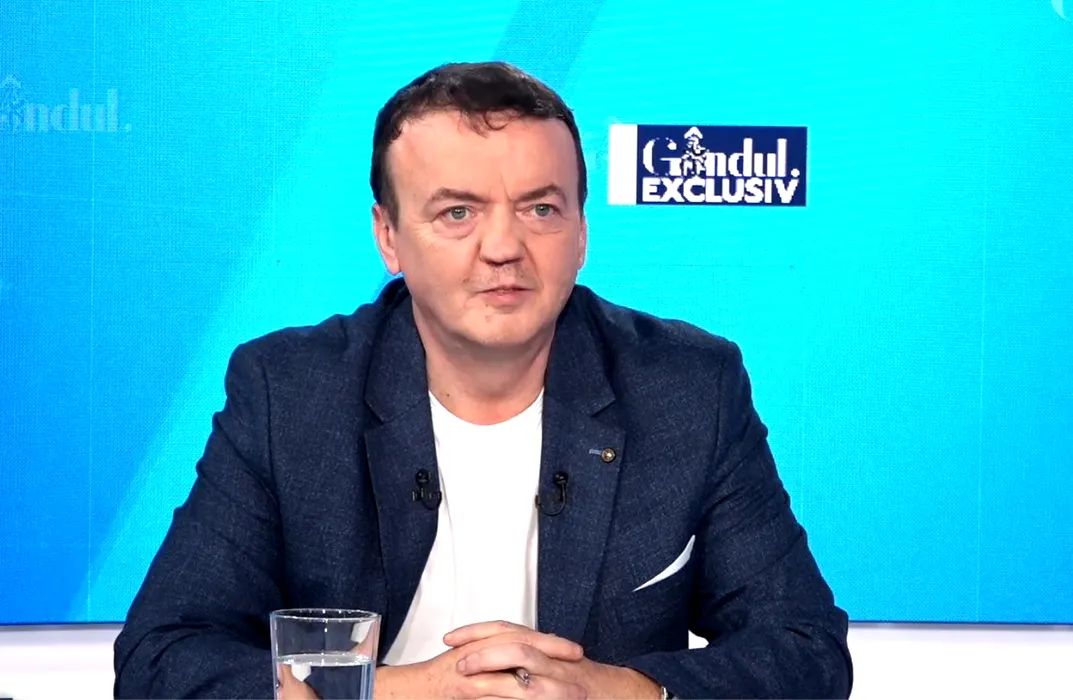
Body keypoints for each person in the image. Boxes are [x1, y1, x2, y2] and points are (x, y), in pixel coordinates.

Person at [114, 61, 852, 699]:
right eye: (458, 212)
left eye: (540, 208)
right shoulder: (290, 392)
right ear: (388, 237)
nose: (503, 246)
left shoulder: (687, 388)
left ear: (582, 232)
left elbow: (806, 649)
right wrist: (400, 691)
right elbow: (160, 657)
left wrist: (618, 689)